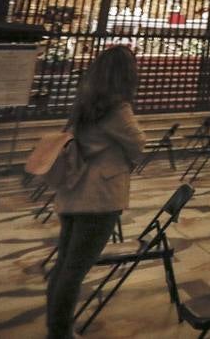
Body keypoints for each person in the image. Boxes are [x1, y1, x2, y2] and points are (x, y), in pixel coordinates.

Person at [45, 45, 146, 339]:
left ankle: (55, 324)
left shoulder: (86, 102)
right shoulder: (117, 108)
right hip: (99, 196)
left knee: (65, 263)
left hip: (75, 190)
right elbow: (138, 144)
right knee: (75, 268)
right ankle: (60, 332)